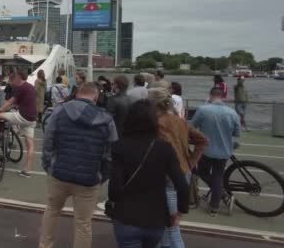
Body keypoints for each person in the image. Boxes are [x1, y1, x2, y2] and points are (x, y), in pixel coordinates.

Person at [39, 82, 118, 248]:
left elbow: (48, 140)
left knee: (52, 211)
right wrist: (102, 176)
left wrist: (49, 165)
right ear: (96, 96)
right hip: (89, 178)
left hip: (59, 172)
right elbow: (111, 153)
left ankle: (45, 245)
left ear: (77, 94)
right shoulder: (106, 119)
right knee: (83, 223)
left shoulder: (60, 111)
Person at [108, 99, 189, 248]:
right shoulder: (165, 148)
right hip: (155, 218)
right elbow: (182, 184)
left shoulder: (119, 147)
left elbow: (114, 188)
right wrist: (180, 211)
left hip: (127, 216)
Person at [148, 88, 209, 248]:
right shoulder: (179, 120)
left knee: (171, 225)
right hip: (184, 172)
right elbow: (202, 140)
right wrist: (192, 161)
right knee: (168, 223)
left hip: (167, 175)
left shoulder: (156, 124)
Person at [191, 87, 241, 216]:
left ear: (210, 95)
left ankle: (223, 195)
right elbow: (237, 133)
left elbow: (191, 127)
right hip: (224, 150)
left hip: (206, 149)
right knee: (218, 176)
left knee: (202, 172)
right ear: (223, 96)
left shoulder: (203, 110)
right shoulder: (232, 112)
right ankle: (214, 207)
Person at [0, 70, 37, 178]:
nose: (11, 82)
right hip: (32, 118)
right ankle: (27, 170)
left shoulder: (21, 88)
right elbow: (20, 102)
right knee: (30, 145)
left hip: (22, 116)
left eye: (12, 80)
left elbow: (11, 101)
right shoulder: (30, 87)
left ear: (18, 78)